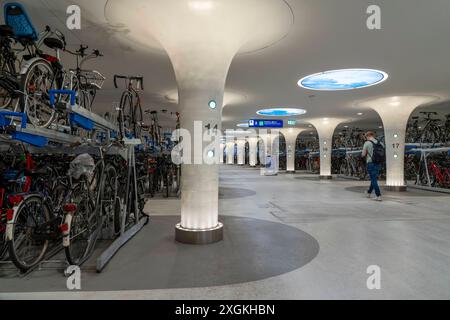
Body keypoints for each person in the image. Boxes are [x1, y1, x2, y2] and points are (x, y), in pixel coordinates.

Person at [362, 131, 382, 201]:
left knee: (373, 179)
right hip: (378, 163)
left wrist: (367, 152)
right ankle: (368, 192)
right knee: (373, 178)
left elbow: (363, 154)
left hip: (371, 163)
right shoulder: (379, 143)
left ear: (367, 136)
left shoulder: (367, 143)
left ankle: (378, 195)